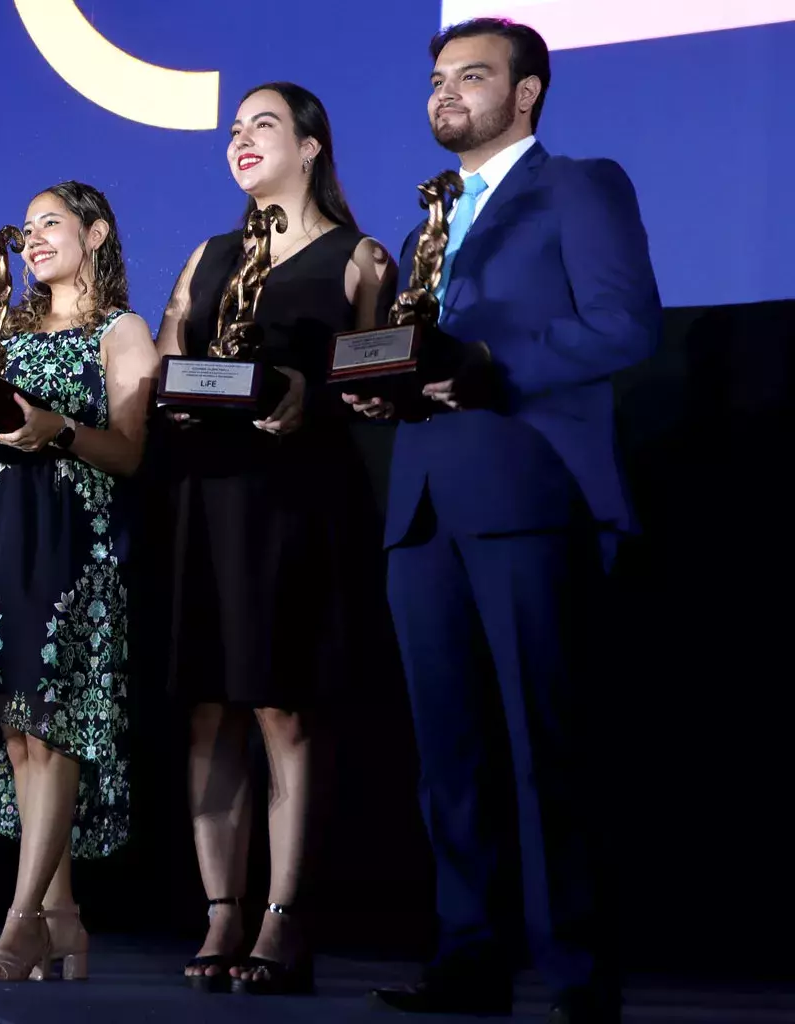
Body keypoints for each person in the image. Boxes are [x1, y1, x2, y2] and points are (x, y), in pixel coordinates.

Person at [349, 20, 658, 1024]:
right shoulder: (422, 228)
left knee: (545, 744)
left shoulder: (580, 185)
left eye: (471, 76)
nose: (445, 93)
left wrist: (488, 366)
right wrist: (381, 387)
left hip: (528, 494)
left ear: (525, 95)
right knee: (449, 753)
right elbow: (418, 362)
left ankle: (574, 972)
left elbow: (625, 323)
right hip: (423, 506)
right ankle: (469, 957)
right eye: (437, 78)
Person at [156, 82, 395, 996]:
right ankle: (221, 911)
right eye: (233, 129)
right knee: (209, 707)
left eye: (262, 125)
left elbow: (381, 378)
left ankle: (284, 918)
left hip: (294, 502)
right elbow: (176, 358)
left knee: (283, 708)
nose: (240, 140)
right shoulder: (207, 255)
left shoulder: (359, 257)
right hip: (204, 497)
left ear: (311, 147)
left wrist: (312, 397)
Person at [0, 182, 155, 981]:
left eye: (50, 224)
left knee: (51, 725)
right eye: (27, 229)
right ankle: (62, 916)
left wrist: (56, 429)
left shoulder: (120, 331)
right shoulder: (4, 333)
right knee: (17, 732)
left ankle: (22, 923)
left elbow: (129, 452)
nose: (33, 240)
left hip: (69, 541)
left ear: (96, 233)